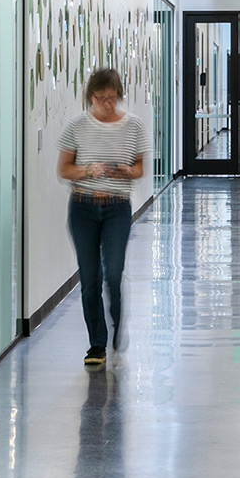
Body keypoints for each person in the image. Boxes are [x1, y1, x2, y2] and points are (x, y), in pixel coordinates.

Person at [58, 67, 149, 368]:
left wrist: (125, 171)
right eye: (100, 98)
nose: (107, 104)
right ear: (90, 97)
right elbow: (64, 170)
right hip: (83, 207)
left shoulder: (133, 126)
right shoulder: (76, 127)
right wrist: (87, 170)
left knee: (113, 272)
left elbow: (139, 169)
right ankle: (96, 343)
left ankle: (117, 320)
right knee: (90, 278)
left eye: (112, 98)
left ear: (119, 95)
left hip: (117, 208)